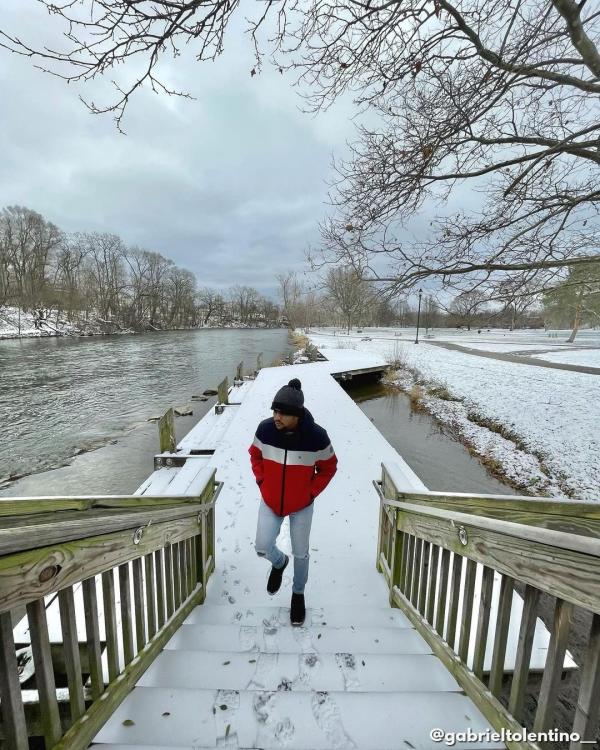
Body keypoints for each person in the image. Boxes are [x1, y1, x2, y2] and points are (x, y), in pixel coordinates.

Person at [248, 378, 338, 625]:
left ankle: (298, 594)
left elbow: (329, 467)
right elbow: (255, 454)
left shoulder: (317, 437)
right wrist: (262, 481)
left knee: (301, 553)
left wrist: (310, 493)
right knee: (262, 546)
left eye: (282, 413)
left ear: (296, 415)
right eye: (275, 411)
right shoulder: (265, 430)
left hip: (301, 506)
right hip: (271, 500)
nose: (276, 417)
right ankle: (279, 563)